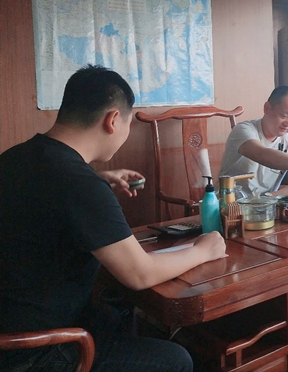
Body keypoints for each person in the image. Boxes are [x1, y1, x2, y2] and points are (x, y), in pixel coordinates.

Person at [0, 65, 227, 372]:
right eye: (129, 123)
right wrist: (204, 249)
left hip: (12, 321)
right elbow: (140, 274)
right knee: (177, 360)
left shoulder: (18, 157)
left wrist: (99, 179)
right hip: (33, 351)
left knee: (116, 311)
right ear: (113, 120)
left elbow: (47, 195)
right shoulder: (80, 185)